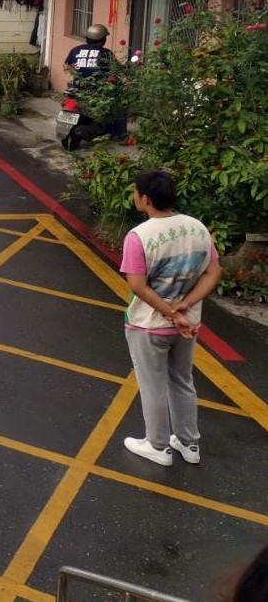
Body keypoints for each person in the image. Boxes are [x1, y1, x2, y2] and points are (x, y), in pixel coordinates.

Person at [119, 169, 222, 466]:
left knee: (152, 385)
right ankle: (189, 444)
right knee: (182, 380)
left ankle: (158, 445)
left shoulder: (139, 236)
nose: (134, 196)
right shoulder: (197, 228)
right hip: (188, 324)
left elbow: (137, 285)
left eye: (135, 192)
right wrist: (184, 307)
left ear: (146, 199)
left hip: (149, 325)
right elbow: (213, 272)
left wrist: (169, 312)